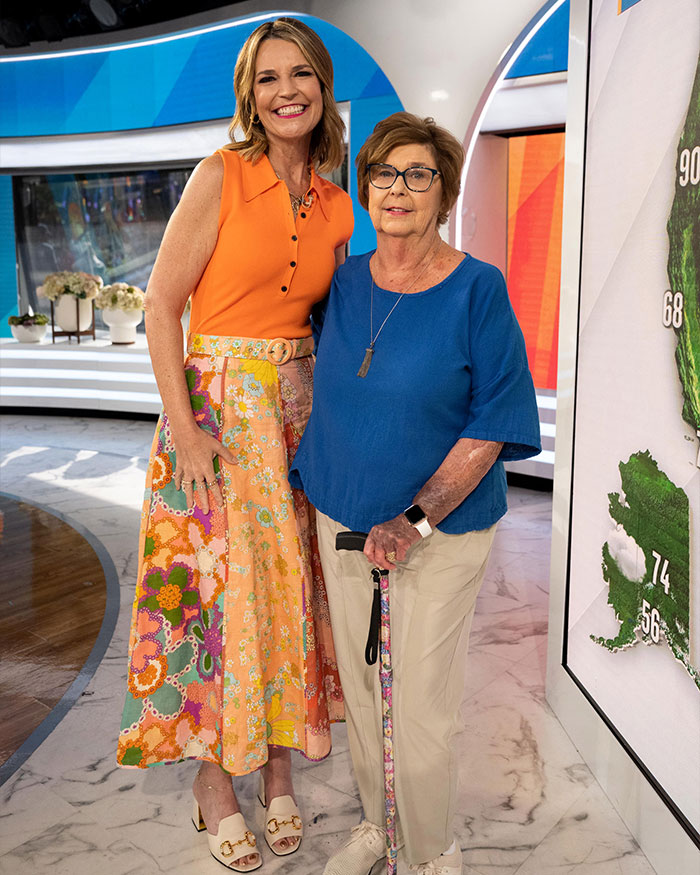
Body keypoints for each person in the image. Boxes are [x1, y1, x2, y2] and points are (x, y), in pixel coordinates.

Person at [117, 18, 352, 872]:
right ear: (249, 96)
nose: (286, 91)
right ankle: (216, 784)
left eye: (301, 75)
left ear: (322, 87)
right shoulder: (222, 174)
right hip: (217, 413)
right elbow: (160, 304)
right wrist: (185, 430)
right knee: (221, 604)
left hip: (298, 412)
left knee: (292, 595)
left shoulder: (337, 202)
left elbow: (324, 321)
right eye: (267, 78)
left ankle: (278, 766)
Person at [290, 112, 541, 875]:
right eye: (384, 174)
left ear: (443, 191)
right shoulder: (343, 282)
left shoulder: (478, 289)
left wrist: (413, 518)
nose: (398, 189)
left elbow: (494, 420)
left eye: (418, 175)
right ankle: (377, 822)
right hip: (342, 514)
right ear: (365, 187)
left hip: (438, 531)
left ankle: (432, 851)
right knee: (363, 689)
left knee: (421, 705)